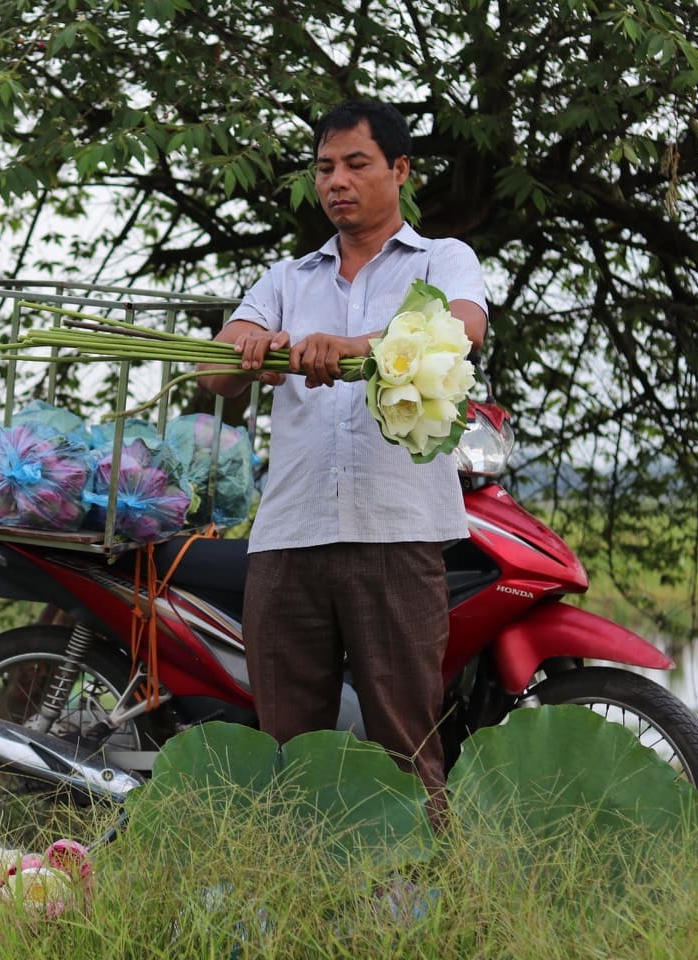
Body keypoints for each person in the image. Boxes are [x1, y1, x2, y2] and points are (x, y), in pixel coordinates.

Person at [200, 100, 488, 799]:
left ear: (400, 170)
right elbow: (213, 369)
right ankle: (299, 902)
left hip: (398, 531)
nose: (338, 181)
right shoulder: (287, 279)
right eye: (325, 167)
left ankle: (424, 903)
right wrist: (250, 354)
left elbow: (460, 331)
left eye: (357, 164)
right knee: (288, 750)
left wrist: (354, 347)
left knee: (403, 744)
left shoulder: (444, 259)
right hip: (289, 536)